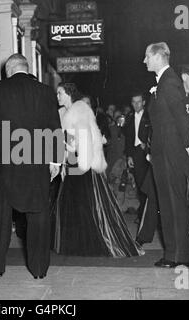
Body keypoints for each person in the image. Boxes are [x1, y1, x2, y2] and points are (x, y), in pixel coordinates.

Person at [0, 54, 62, 279]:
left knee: (0, 216)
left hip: (6, 162)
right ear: (27, 67)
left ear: (9, 70)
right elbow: (55, 128)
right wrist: (55, 160)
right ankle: (39, 269)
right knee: (39, 216)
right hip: (37, 161)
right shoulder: (45, 92)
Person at [52, 82, 143, 257]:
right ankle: (76, 244)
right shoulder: (69, 112)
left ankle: (84, 244)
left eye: (60, 93)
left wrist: (70, 152)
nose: (58, 97)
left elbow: (82, 140)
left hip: (81, 164)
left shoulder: (78, 111)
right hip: (75, 163)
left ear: (69, 94)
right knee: (77, 206)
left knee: (84, 206)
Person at [137, 64, 189, 246]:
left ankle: (187, 239)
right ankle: (143, 236)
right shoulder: (166, 92)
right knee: (154, 192)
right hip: (165, 150)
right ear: (184, 77)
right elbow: (151, 124)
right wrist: (150, 150)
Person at [143, 42, 189, 268]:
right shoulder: (164, 82)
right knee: (166, 204)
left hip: (171, 153)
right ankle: (171, 254)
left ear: (158, 56)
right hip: (162, 153)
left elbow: (180, 116)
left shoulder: (169, 82)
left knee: (175, 204)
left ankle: (180, 257)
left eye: (147, 56)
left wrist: (187, 143)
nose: (144, 61)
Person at [124, 92, 151, 224]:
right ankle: (142, 215)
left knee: (149, 186)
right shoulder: (129, 117)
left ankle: (148, 216)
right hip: (135, 154)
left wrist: (147, 145)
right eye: (134, 102)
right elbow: (128, 139)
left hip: (148, 154)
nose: (136, 105)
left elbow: (155, 133)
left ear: (144, 102)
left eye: (139, 102)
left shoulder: (150, 116)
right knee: (140, 186)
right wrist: (129, 156)